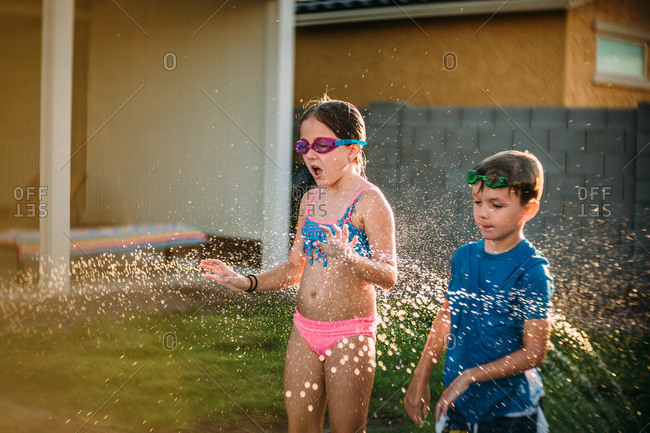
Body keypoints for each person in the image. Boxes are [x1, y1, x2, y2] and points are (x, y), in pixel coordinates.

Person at [200, 97, 397, 433]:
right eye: (304, 145)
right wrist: (244, 281)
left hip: (350, 334)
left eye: (322, 144)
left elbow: (389, 275)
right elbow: (294, 268)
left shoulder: (370, 201)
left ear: (352, 150)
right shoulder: (311, 200)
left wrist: (349, 257)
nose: (310, 154)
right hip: (304, 330)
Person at [404, 150, 553, 433]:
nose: (483, 212)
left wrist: (470, 376)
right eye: (477, 202)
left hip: (510, 413)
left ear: (528, 210)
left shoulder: (532, 272)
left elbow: (534, 353)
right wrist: (421, 376)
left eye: (496, 205)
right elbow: (447, 316)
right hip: (458, 405)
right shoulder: (465, 257)